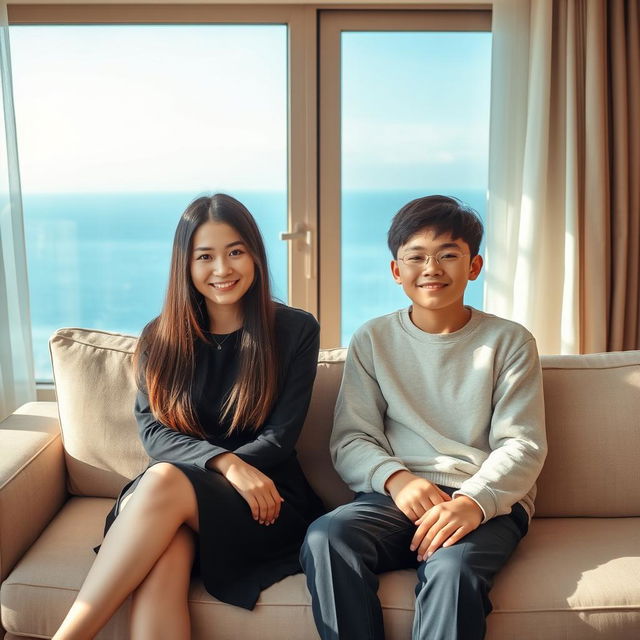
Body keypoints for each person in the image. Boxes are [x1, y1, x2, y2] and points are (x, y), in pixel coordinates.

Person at [54, 193, 324, 640]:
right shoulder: (160, 337)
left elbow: (280, 436)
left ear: (255, 255)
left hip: (263, 501)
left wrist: (235, 469)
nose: (222, 269)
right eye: (205, 256)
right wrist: (226, 463)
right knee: (165, 546)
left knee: (163, 481)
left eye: (235, 252)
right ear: (186, 265)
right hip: (170, 500)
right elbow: (153, 432)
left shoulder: (294, 330)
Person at [300, 195, 547, 640]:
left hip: (482, 502)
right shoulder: (373, 339)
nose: (431, 268)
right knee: (326, 537)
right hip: (396, 496)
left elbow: (522, 444)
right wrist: (397, 479)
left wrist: (473, 502)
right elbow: (352, 437)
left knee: (452, 571)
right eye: (416, 257)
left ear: (474, 266)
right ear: (397, 271)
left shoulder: (510, 341)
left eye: (448, 255)